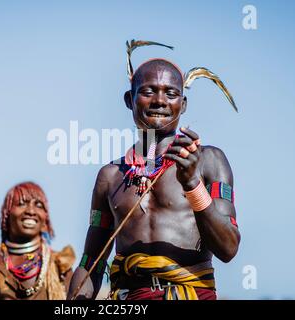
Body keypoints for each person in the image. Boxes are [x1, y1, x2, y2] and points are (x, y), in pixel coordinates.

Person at [68, 40, 240, 300]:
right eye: (148, 91)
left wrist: (192, 185)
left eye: (170, 93)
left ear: (183, 104)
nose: (160, 100)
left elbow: (228, 248)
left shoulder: (209, 160)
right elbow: (90, 262)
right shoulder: (110, 176)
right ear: (130, 99)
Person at [0, 181, 75, 300]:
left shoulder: (60, 266)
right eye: (22, 203)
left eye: (38, 205)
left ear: (45, 221)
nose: (31, 211)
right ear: (7, 215)